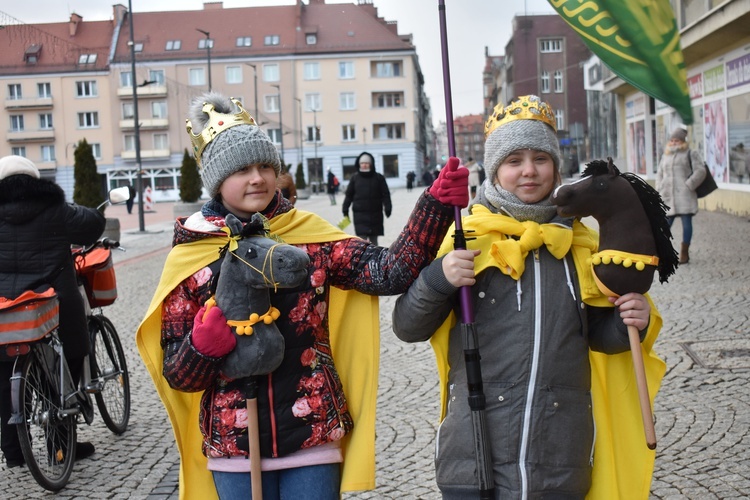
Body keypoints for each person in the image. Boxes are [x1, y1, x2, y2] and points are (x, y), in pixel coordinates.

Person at [135, 92, 468, 500]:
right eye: (241, 169)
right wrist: (202, 348)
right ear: (217, 180)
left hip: (312, 433)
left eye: (264, 166)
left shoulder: (311, 239)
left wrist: (433, 205)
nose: (256, 177)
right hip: (233, 444)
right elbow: (178, 375)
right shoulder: (192, 257)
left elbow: (389, 271)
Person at [392, 95, 664, 499]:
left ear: (556, 167)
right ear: (495, 168)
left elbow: (595, 336)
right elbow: (408, 326)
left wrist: (630, 323)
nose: (529, 171)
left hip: (559, 456)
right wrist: (438, 277)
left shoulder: (582, 245)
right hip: (473, 454)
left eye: (541, 158)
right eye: (514, 160)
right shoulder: (465, 238)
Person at [0, 155, 104, 468]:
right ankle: (60, 448)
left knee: (4, 376)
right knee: (67, 362)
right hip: (54, 302)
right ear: (34, 179)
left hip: (5, 308)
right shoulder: (54, 207)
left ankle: (15, 453)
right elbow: (91, 226)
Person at [655, 125, 707, 264]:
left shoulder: (691, 153)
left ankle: (684, 253)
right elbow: (659, 173)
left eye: (676, 140)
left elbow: (700, 171)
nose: (673, 142)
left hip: (684, 194)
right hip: (668, 195)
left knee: (686, 223)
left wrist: (689, 185)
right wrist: (659, 186)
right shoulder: (666, 155)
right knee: (665, 225)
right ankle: (662, 251)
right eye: (671, 140)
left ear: (682, 141)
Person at [341, 152, 392, 246]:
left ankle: (375, 259)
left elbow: (385, 194)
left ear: (371, 164)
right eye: (362, 163)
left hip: (375, 214)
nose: (364, 165)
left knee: (374, 242)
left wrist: (388, 207)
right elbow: (349, 195)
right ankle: (363, 260)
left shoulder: (379, 178)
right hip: (360, 215)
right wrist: (345, 208)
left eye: (366, 163)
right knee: (361, 242)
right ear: (359, 164)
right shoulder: (355, 178)